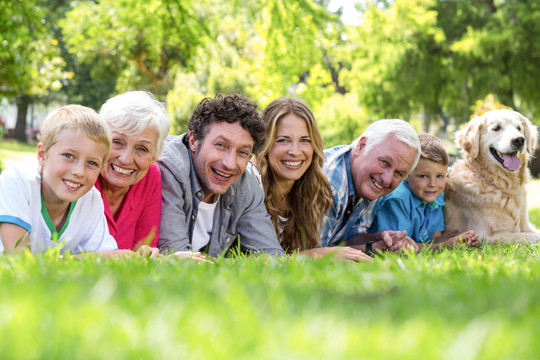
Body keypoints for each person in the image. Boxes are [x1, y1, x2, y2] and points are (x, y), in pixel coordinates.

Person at [157, 94, 285, 257]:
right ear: (194, 140)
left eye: (243, 152)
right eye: (221, 145)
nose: (230, 164)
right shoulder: (170, 168)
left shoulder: (246, 185)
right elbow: (176, 256)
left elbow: (271, 256)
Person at [253, 97, 371, 262]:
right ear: (264, 144)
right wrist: (317, 254)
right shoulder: (249, 185)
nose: (295, 151)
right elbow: (252, 258)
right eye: (283, 140)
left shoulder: (311, 189)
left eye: (305, 140)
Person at [0, 105, 126, 255]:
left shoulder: (91, 199)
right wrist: (79, 259)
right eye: (68, 155)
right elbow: (21, 261)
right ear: (42, 155)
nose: (79, 172)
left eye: (92, 163)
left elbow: (109, 259)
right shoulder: (16, 181)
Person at [321, 119, 422, 255]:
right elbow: (310, 251)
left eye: (399, 173)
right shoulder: (330, 184)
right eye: (384, 162)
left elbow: (345, 240)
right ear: (362, 146)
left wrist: (378, 239)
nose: (386, 180)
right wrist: (369, 249)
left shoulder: (366, 179)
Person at [369, 134, 479, 248]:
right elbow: (397, 247)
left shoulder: (437, 198)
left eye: (440, 176)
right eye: (423, 176)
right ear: (406, 174)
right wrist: (445, 246)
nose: (433, 184)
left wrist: (459, 240)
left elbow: (435, 239)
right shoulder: (398, 199)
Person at [96, 91, 170, 251]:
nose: (125, 159)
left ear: (154, 156)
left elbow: (142, 253)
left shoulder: (150, 176)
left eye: (142, 149)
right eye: (117, 142)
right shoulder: (82, 174)